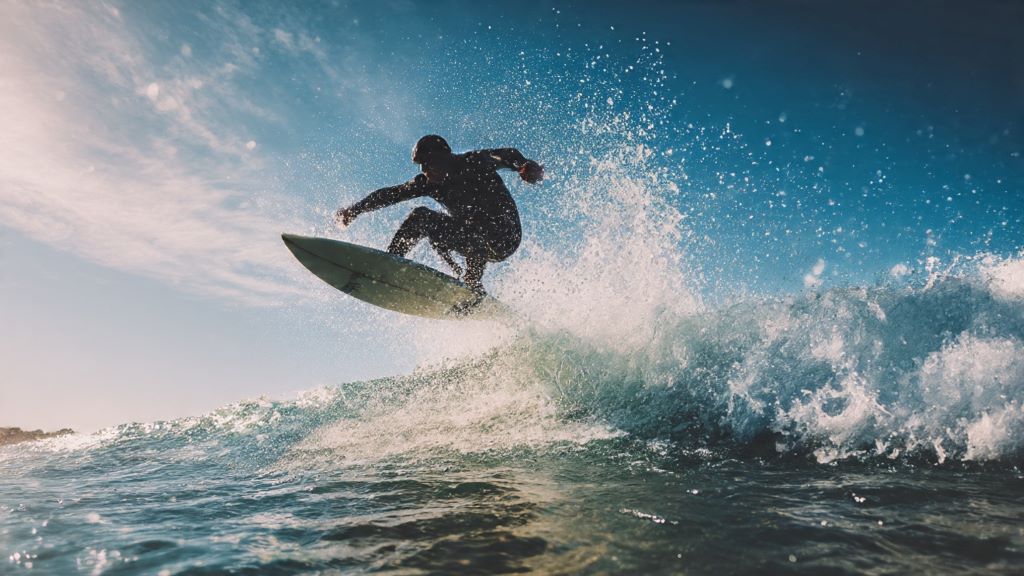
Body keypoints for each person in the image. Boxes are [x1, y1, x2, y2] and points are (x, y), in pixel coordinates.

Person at [335, 135, 544, 295]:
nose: (425, 169)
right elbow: (390, 194)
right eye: (421, 165)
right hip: (471, 236)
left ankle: (473, 286)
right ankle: (391, 263)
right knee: (421, 217)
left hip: (505, 236)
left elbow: (506, 154)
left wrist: (523, 165)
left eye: (428, 161)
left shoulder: (474, 161)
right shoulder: (429, 183)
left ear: (445, 156)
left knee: (476, 227)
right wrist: (355, 210)